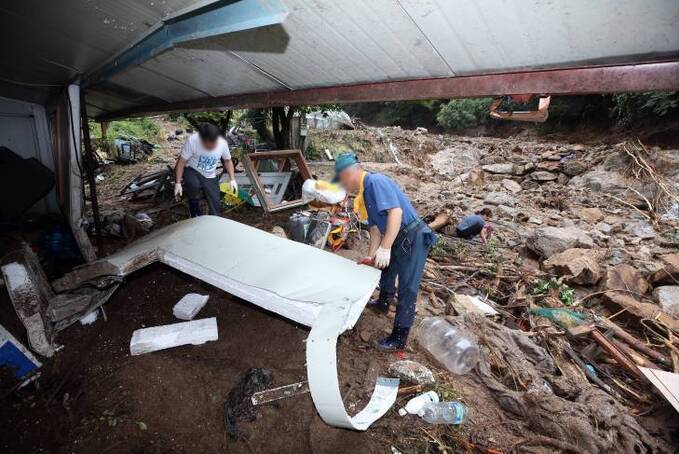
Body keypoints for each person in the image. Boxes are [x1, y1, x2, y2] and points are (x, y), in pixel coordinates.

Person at [335, 152, 437, 351]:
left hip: (412, 236)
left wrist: (386, 247)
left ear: (350, 173)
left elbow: (396, 213)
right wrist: (372, 255)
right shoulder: (365, 195)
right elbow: (375, 229)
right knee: (385, 269)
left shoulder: (375, 181)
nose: (343, 184)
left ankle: (399, 337)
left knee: (408, 287)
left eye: (342, 179)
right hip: (396, 236)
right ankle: (383, 303)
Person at [174, 123, 237, 217]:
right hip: (192, 169)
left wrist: (232, 179)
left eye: (214, 144)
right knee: (193, 186)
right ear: (202, 140)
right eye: (208, 144)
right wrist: (178, 182)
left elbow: (227, 161)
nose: (211, 147)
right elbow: (182, 162)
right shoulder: (193, 141)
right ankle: (194, 210)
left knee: (215, 202)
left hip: (210, 174)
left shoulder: (222, 143)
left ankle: (214, 220)